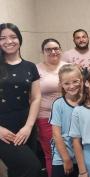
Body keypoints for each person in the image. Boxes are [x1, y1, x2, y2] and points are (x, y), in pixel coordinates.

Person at [0, 23, 41, 177]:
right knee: (31, 166)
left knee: (18, 170)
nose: (8, 41)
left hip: (26, 125)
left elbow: (36, 98)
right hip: (3, 129)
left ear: (19, 39)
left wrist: (29, 127)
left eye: (12, 37)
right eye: (2, 38)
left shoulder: (30, 66)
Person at [36, 38, 68, 177]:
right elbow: (32, 96)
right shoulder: (36, 69)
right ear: (43, 52)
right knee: (52, 154)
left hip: (68, 116)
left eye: (56, 48)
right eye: (48, 49)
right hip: (45, 118)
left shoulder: (68, 67)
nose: (53, 51)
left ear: (60, 50)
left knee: (71, 151)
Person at [49, 64, 82, 177]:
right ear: (61, 84)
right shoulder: (58, 104)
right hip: (62, 157)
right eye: (67, 83)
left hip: (82, 157)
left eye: (75, 81)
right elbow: (56, 135)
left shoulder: (87, 102)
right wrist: (66, 159)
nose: (71, 86)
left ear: (82, 81)